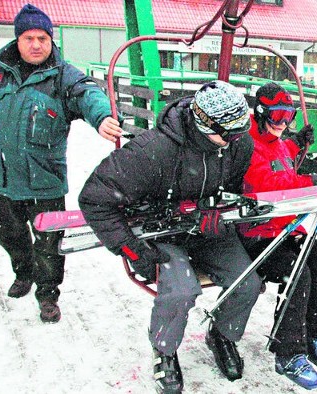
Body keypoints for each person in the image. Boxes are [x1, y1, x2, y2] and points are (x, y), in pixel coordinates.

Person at [78, 80, 262, 393]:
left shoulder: (238, 144)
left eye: (239, 132)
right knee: (180, 291)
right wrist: (135, 251)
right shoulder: (153, 151)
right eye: (228, 134)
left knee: (248, 282)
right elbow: (95, 198)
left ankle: (223, 334)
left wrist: (222, 211)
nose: (235, 141)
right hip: (160, 230)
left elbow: (232, 185)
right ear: (205, 125)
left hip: (203, 229)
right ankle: (165, 349)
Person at [0, 4, 123, 323]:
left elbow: (87, 94)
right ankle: (23, 272)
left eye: (43, 37)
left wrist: (102, 117)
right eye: (29, 37)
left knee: (49, 246)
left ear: (51, 40)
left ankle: (47, 294)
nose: (37, 44)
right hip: (3, 181)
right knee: (10, 236)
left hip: (46, 183)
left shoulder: (63, 75)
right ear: (18, 40)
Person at [238, 83, 317, 389]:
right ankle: (288, 352)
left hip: (287, 230)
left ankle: (311, 334)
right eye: (277, 116)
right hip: (259, 235)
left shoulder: (279, 141)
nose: (283, 123)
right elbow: (273, 185)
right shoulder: (247, 146)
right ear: (260, 114)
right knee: (298, 275)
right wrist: (316, 180)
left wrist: (297, 143)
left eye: (289, 116)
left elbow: (282, 156)